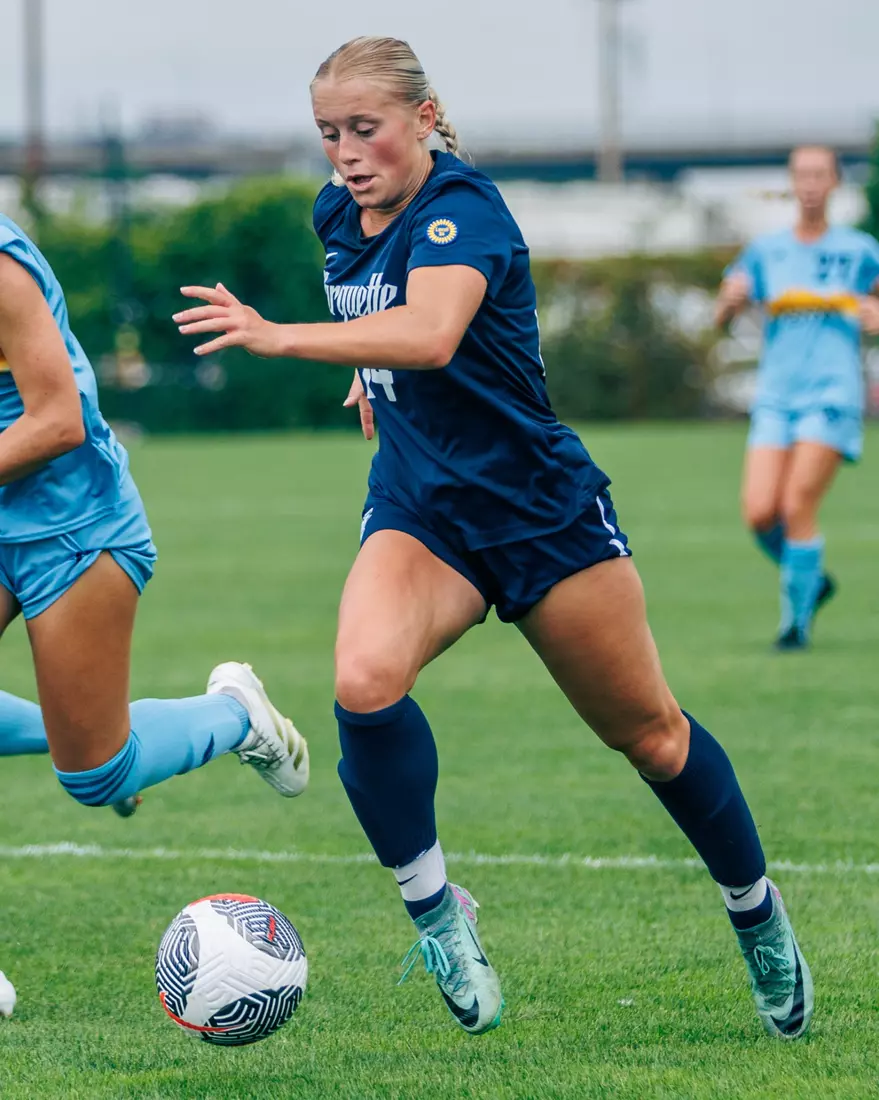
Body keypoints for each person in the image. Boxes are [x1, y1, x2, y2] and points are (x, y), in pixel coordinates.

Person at [174, 36, 813, 1040]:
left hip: (538, 513)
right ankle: (439, 916)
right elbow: (388, 328)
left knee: (651, 736)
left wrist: (283, 335)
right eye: (329, 133)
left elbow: (431, 333)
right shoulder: (337, 212)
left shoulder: (463, 211)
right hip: (422, 510)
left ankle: (756, 914)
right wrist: (366, 375)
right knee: (363, 682)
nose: (346, 153)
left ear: (424, 118)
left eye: (365, 129)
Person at [0, 213, 310, 1010]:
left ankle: (234, 714)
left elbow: (57, 420)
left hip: (74, 529)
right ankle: (80, 723)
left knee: (96, 774)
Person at [717, 146, 879, 649]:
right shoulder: (766, 251)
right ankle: (812, 579)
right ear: (792, 183)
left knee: (796, 504)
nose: (810, 184)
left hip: (833, 393)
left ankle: (795, 627)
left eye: (819, 174)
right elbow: (722, 315)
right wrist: (730, 303)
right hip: (776, 396)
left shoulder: (859, 250)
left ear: (834, 183)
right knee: (759, 512)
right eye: (802, 175)